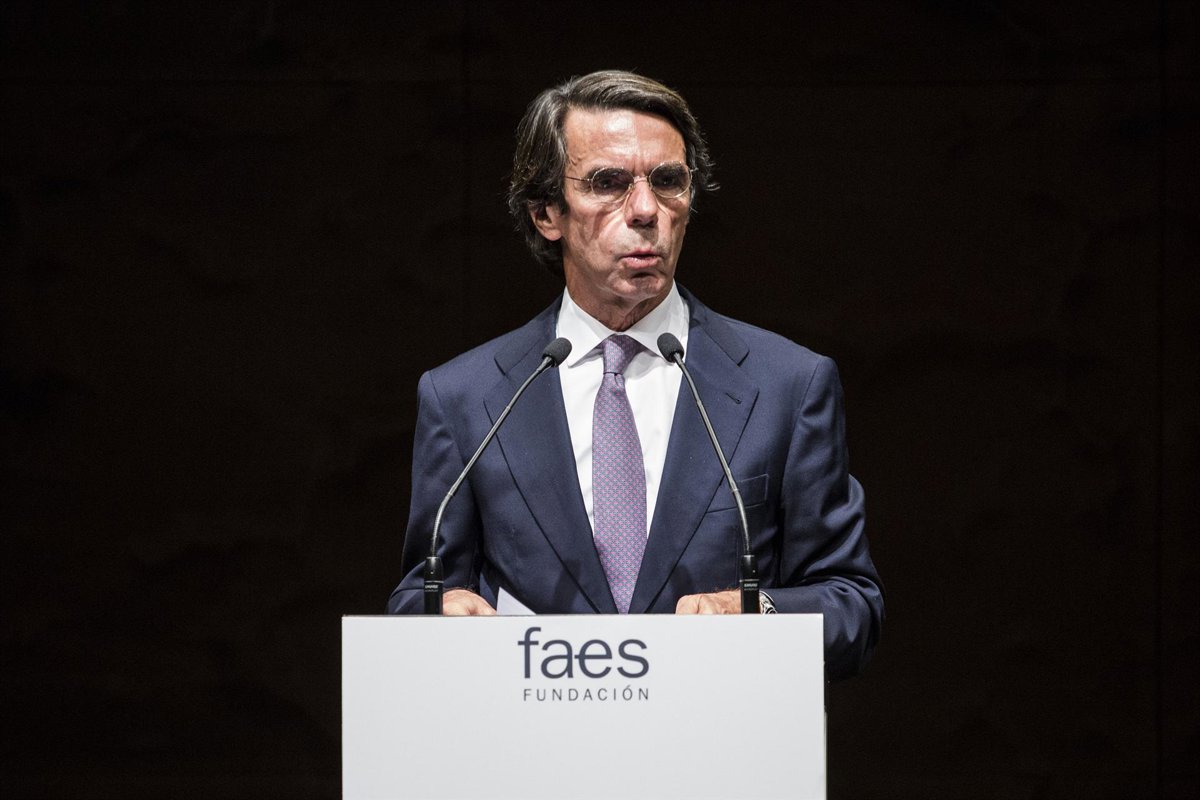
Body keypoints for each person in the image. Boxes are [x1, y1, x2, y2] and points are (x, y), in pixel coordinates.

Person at [387, 70, 882, 680]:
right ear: (546, 212)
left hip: (713, 728)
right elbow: (422, 593)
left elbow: (851, 603)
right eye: (608, 183)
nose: (646, 210)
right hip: (538, 729)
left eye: (668, 181)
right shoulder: (466, 398)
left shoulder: (789, 386)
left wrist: (758, 612)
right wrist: (438, 615)